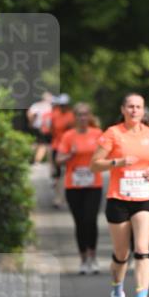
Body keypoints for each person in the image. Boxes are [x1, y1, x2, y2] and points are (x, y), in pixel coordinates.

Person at [90, 92, 149, 297]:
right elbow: (94, 165)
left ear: (143, 109)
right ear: (123, 109)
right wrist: (117, 162)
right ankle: (118, 293)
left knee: (142, 249)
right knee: (122, 254)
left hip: (144, 196)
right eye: (130, 106)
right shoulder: (112, 133)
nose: (134, 110)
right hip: (119, 198)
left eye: (138, 106)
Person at [56, 102, 103, 274]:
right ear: (75, 118)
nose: (83, 118)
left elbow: (107, 154)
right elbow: (58, 160)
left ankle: (93, 256)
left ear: (89, 117)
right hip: (74, 184)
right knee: (80, 222)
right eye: (79, 115)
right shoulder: (68, 136)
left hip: (93, 184)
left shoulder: (98, 134)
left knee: (91, 220)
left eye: (85, 115)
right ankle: (83, 259)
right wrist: (71, 155)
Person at [50, 95, 75, 208]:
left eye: (64, 105)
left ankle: (68, 197)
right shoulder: (55, 114)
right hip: (57, 146)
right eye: (61, 105)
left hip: (69, 148)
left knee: (69, 172)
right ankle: (58, 198)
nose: (63, 107)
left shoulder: (71, 116)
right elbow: (51, 129)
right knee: (57, 174)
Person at [27, 91, 53, 163]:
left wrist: (31, 123)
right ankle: (37, 160)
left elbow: (30, 114)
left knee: (35, 143)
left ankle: (29, 157)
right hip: (43, 128)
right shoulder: (49, 107)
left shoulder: (36, 105)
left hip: (36, 127)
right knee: (43, 145)